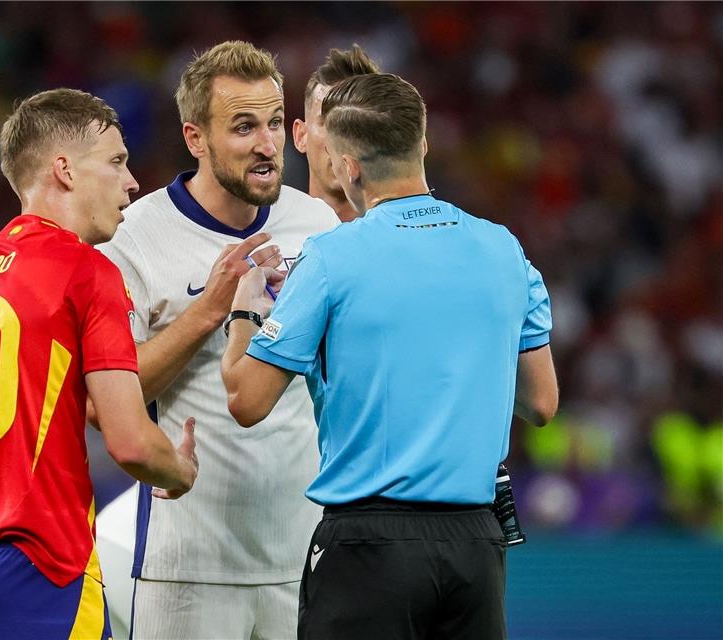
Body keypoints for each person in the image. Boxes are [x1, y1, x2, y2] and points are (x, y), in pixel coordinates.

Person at [221, 73, 559, 640]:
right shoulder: (504, 248)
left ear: (348, 167)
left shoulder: (330, 258)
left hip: (368, 548)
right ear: (422, 144)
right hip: (476, 548)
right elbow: (542, 403)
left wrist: (245, 311)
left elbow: (246, 400)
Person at [0, 88, 199, 640]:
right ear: (64, 170)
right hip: (44, 568)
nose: (132, 182)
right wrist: (178, 469)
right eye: (116, 161)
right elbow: (130, 442)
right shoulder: (87, 273)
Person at [98, 40, 339, 639]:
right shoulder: (135, 237)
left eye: (274, 123)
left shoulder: (318, 225)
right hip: (186, 567)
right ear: (195, 138)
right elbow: (109, 402)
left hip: (304, 560)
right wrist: (208, 309)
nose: (267, 144)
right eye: (243, 127)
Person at [292, 44, 380, 222]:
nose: (341, 140)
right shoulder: (272, 236)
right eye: (329, 122)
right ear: (301, 136)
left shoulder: (408, 234)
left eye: (356, 123)